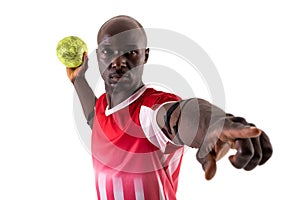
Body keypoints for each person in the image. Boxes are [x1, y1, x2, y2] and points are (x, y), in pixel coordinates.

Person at [66, 15, 272, 200]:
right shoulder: (103, 107)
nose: (118, 61)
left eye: (130, 53)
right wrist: (79, 80)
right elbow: (95, 118)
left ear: (145, 56)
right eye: (107, 51)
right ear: (97, 56)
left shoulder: (150, 109)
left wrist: (213, 123)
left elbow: (178, 117)